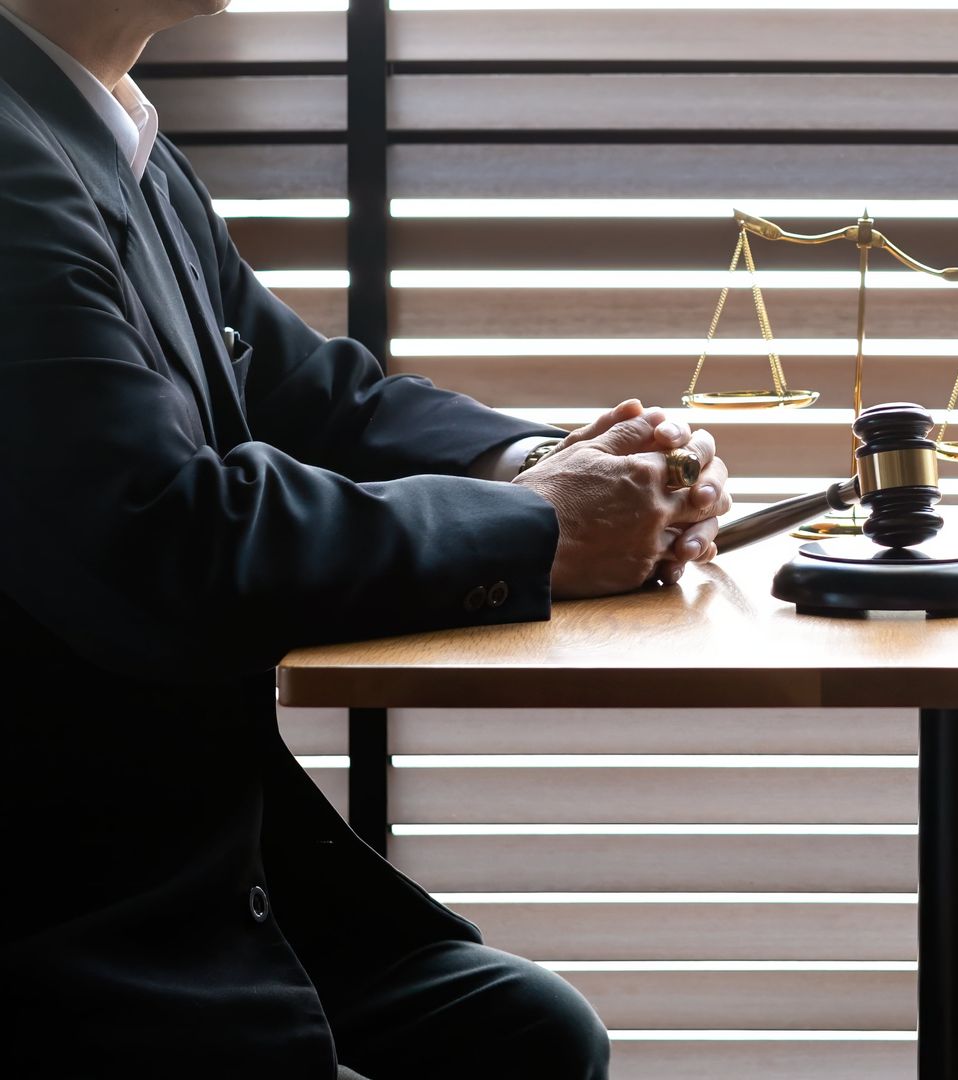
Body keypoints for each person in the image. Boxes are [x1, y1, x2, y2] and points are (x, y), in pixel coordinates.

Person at [0, 1, 731, 1076]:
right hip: (76, 925)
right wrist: (547, 525)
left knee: (532, 1031)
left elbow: (311, 395)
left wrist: (554, 465)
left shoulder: (98, 128)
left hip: (201, 889)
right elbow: (161, 539)